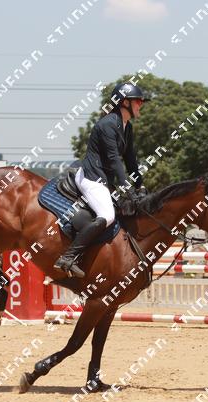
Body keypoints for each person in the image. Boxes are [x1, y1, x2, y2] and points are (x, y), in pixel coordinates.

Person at [53, 82, 150, 278]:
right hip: (91, 178)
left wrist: (140, 184)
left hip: (105, 179)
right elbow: (114, 159)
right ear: (125, 102)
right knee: (107, 215)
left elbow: (130, 159)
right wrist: (126, 188)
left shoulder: (127, 127)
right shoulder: (107, 125)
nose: (141, 105)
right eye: (138, 101)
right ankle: (68, 257)